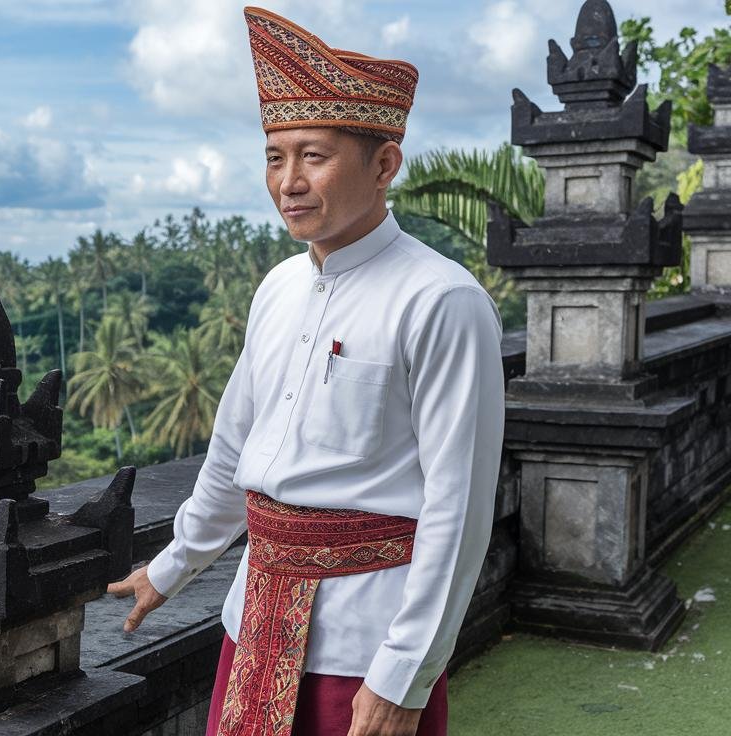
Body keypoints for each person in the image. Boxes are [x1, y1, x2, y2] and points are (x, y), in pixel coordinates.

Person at [106, 6, 505, 736]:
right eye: (274, 156)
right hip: (253, 618)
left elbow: (459, 507)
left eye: (313, 155)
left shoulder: (443, 301)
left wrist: (404, 675)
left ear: (384, 164)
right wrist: (170, 569)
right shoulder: (277, 288)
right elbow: (234, 454)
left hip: (366, 647)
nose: (288, 181)